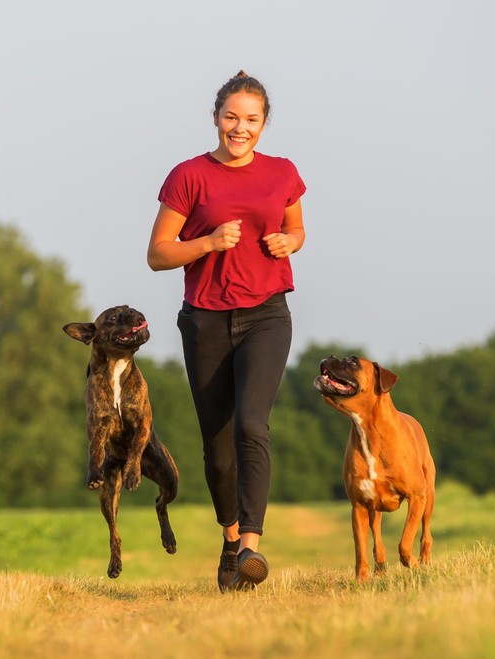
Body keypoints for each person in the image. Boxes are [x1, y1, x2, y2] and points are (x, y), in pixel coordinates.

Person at [147, 70, 306, 592]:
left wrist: (290, 242)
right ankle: (230, 534)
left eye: (252, 120)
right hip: (206, 320)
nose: (241, 128)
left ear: (265, 124)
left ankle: (250, 549)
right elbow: (158, 254)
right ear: (215, 118)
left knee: (251, 426)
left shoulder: (282, 172)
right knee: (217, 447)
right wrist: (209, 243)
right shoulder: (189, 176)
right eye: (232, 117)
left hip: (266, 314)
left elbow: (295, 227)